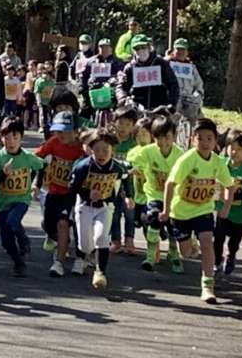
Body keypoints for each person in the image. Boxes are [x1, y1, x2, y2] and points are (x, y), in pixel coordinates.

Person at [160, 118, 235, 304]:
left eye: (209, 138)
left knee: (207, 244)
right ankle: (189, 242)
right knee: (186, 253)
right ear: (193, 140)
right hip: (181, 212)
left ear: (215, 141)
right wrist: (166, 210)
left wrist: (226, 207)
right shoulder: (187, 160)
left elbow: (229, 185)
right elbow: (170, 184)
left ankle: (208, 286)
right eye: (200, 138)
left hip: (204, 210)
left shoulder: (218, 162)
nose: (204, 143)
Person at [71, 129, 132, 289]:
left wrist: (128, 196)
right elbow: (73, 186)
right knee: (85, 245)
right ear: (91, 150)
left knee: (102, 237)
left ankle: (100, 272)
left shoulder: (117, 168)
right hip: (85, 206)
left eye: (105, 150)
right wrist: (87, 193)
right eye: (97, 150)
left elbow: (126, 179)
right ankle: (87, 255)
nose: (101, 154)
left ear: (112, 150)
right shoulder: (83, 167)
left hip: (105, 207)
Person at [0, 116, 44, 277]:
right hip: (3, 202)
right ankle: (18, 262)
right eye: (6, 137)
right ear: (1, 138)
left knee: (13, 221)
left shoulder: (27, 157)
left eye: (15, 137)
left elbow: (42, 166)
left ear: (21, 138)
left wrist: (36, 184)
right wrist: (3, 174)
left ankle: (23, 240)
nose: (11, 141)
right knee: (6, 241)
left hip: (21, 199)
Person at [34, 111, 86, 277]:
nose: (61, 134)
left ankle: (59, 262)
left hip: (72, 194)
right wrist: (35, 182)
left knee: (63, 223)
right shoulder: (53, 142)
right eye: (58, 131)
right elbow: (37, 157)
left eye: (66, 131)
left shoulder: (82, 148)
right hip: (54, 190)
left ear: (76, 131)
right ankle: (64, 242)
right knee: (49, 225)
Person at [130, 115, 184, 272]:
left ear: (174, 136)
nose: (163, 142)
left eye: (167, 137)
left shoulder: (180, 155)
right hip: (154, 194)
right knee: (153, 218)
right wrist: (134, 169)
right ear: (153, 137)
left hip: (174, 197)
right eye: (158, 137)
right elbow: (133, 161)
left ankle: (173, 254)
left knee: (173, 227)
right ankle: (150, 256)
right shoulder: (148, 151)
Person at [214, 129, 242, 276]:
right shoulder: (221, 164)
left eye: (239, 149)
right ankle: (216, 262)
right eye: (231, 148)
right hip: (222, 211)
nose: (234, 152)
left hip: (240, 215)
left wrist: (230, 195)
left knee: (234, 242)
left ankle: (231, 256)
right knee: (218, 238)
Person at [116, 34, 180, 111]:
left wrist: (171, 103)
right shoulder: (130, 67)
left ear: (149, 48)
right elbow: (121, 86)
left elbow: (173, 84)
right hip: (137, 109)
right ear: (133, 51)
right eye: (137, 49)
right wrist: (123, 99)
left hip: (159, 109)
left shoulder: (161, 64)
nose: (140, 51)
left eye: (143, 47)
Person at [109, 106, 139, 255]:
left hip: (129, 186)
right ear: (114, 122)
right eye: (120, 123)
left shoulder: (134, 144)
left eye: (128, 124)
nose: (123, 127)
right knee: (113, 214)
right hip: (112, 185)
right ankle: (116, 241)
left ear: (133, 126)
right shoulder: (110, 142)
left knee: (129, 214)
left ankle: (129, 240)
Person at [79, 39, 124, 117]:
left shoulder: (117, 62)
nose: (104, 50)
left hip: (110, 94)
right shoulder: (90, 61)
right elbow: (83, 76)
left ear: (111, 48)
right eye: (101, 47)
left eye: (107, 47)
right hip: (92, 93)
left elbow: (121, 76)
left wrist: (114, 82)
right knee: (83, 111)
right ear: (98, 48)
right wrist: (83, 88)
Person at [167, 38, 205, 125]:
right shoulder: (167, 64)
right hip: (173, 102)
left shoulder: (191, 67)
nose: (180, 52)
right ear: (173, 51)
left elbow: (199, 85)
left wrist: (196, 97)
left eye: (183, 49)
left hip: (190, 101)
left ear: (187, 52)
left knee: (201, 123)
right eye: (178, 49)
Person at [33, 64, 55, 132]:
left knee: (50, 114)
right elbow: (37, 92)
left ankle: (51, 126)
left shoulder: (53, 82)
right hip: (42, 101)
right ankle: (42, 126)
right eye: (44, 73)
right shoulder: (39, 81)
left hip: (50, 101)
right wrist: (38, 101)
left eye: (47, 74)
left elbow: (54, 91)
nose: (45, 75)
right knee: (42, 114)